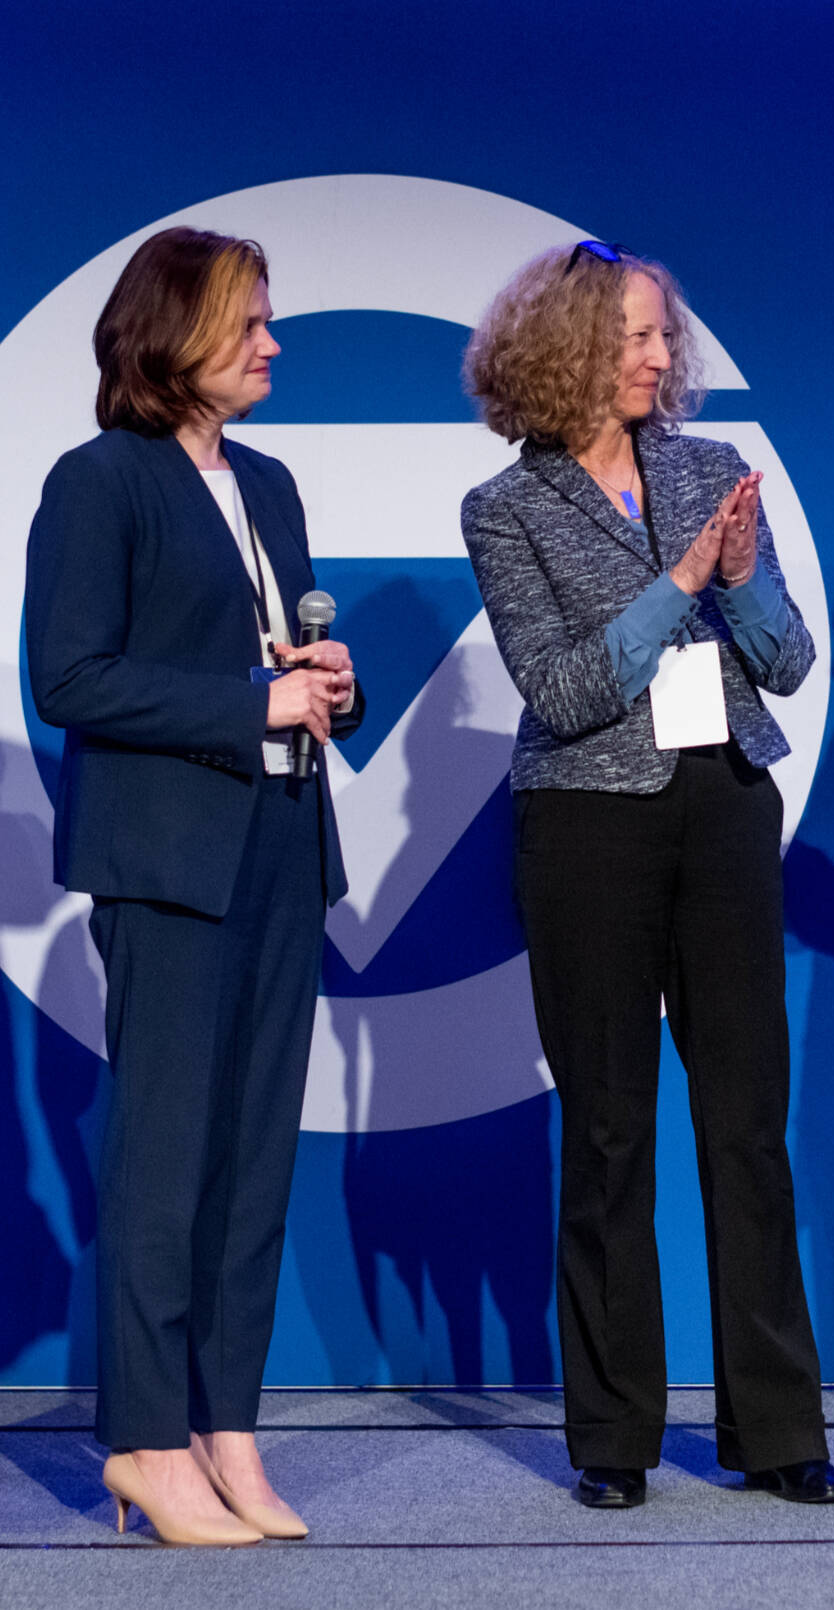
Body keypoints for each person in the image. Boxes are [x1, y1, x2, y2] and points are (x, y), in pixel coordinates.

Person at [461, 240, 834, 1509]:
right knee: (611, 1129)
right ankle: (615, 1438)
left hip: (724, 809)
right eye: (632, 334)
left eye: (662, 336)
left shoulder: (714, 473)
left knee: (746, 1127)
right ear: (564, 347)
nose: (657, 355)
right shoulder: (506, 508)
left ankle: (779, 1427)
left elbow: (784, 662)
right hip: (587, 829)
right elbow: (567, 692)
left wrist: (736, 586)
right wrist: (679, 580)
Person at [25, 227, 363, 1545]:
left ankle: (229, 1428)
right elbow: (70, 675)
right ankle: (147, 1444)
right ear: (173, 335)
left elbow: (284, 657)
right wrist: (248, 699)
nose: (273, 343)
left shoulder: (269, 482)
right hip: (168, 860)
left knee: (252, 1161)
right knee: (166, 1161)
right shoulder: (99, 481)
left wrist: (331, 686)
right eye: (249, 322)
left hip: (284, 841)